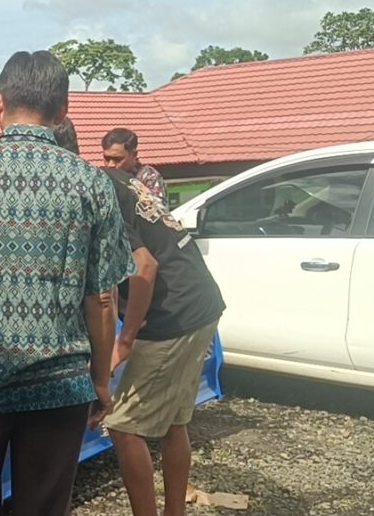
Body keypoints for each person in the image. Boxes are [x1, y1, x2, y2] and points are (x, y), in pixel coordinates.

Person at [0, 51, 133, 516]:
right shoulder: (91, 183)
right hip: (61, 386)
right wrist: (99, 378)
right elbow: (101, 297)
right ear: (62, 112)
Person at [100, 167, 225, 516]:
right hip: (201, 300)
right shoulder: (116, 177)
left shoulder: (97, 192)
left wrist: (124, 342)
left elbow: (144, 267)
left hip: (171, 313)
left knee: (123, 427)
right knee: (174, 421)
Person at [102, 127, 168, 206]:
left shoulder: (150, 178)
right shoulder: (100, 177)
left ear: (134, 154)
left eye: (118, 159)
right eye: (107, 158)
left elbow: (159, 213)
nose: (110, 165)